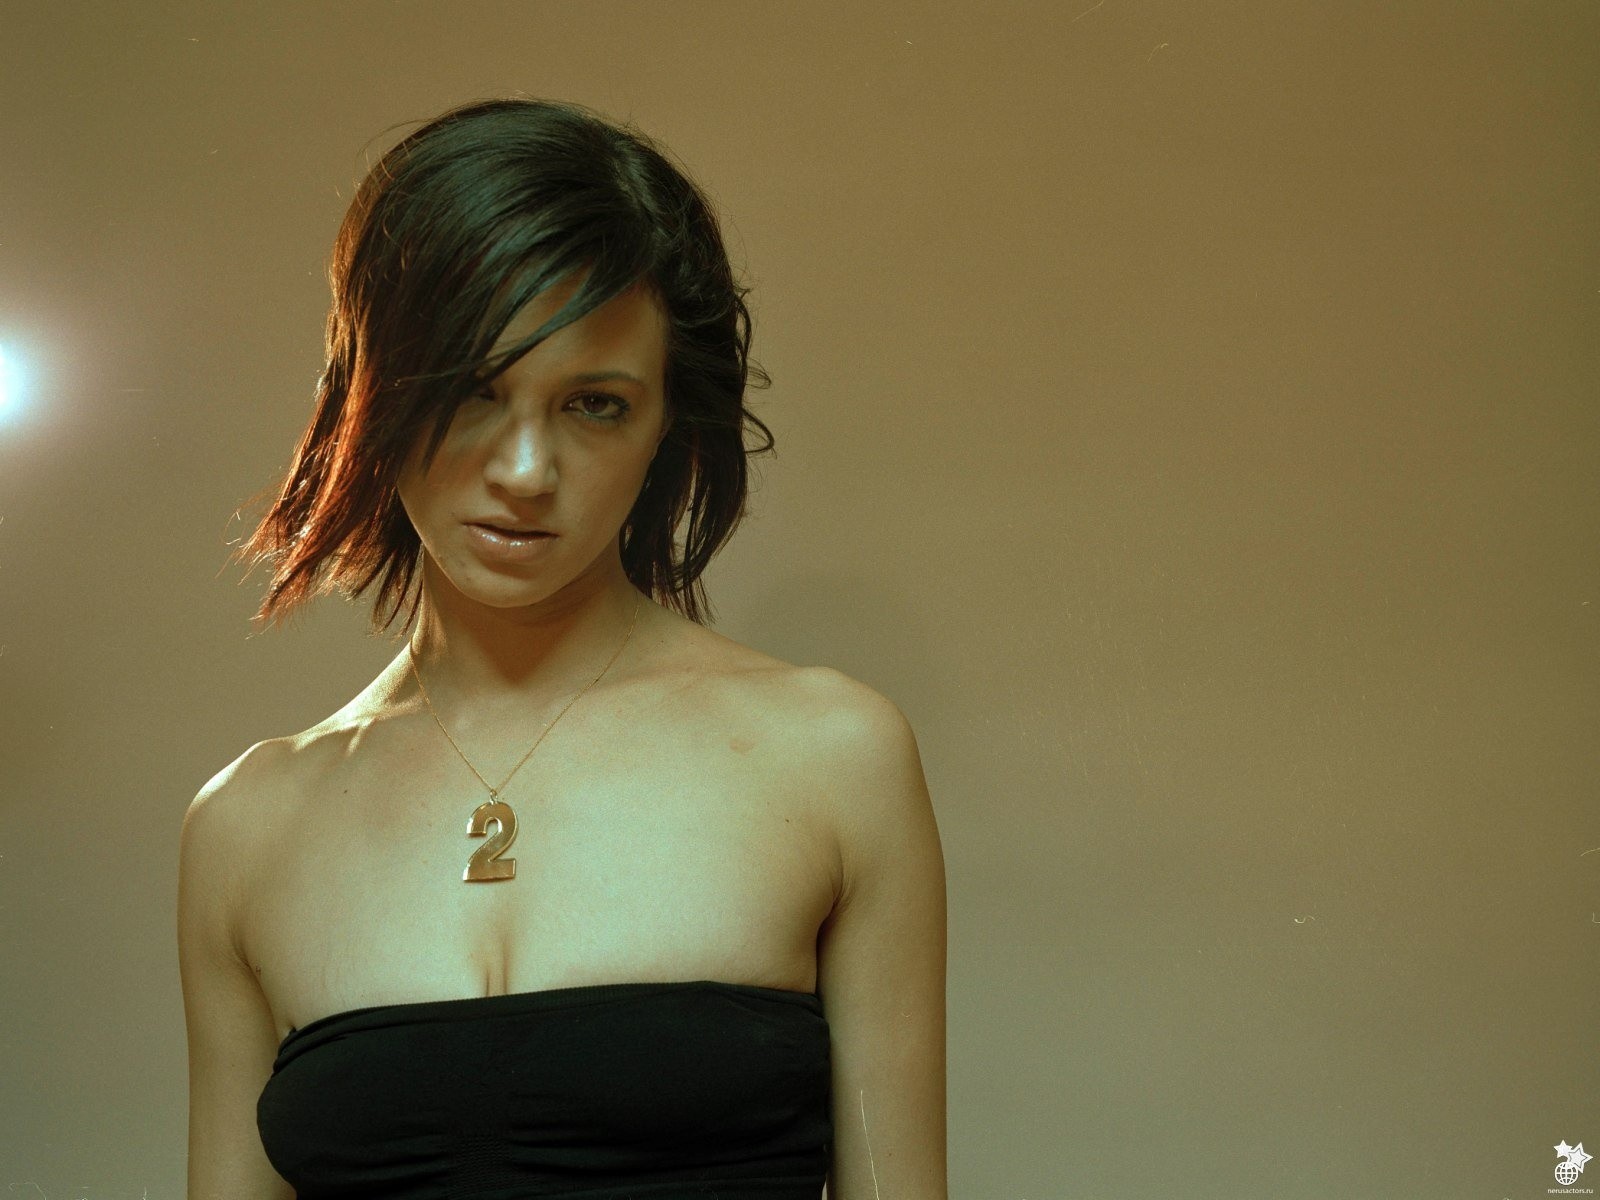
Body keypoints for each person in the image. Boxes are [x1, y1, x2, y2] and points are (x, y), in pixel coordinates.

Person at [176, 96, 947, 1200]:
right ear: (368, 396)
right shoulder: (247, 829)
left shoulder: (832, 759)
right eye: (472, 391)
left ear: (666, 426)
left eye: (594, 404)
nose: (527, 470)